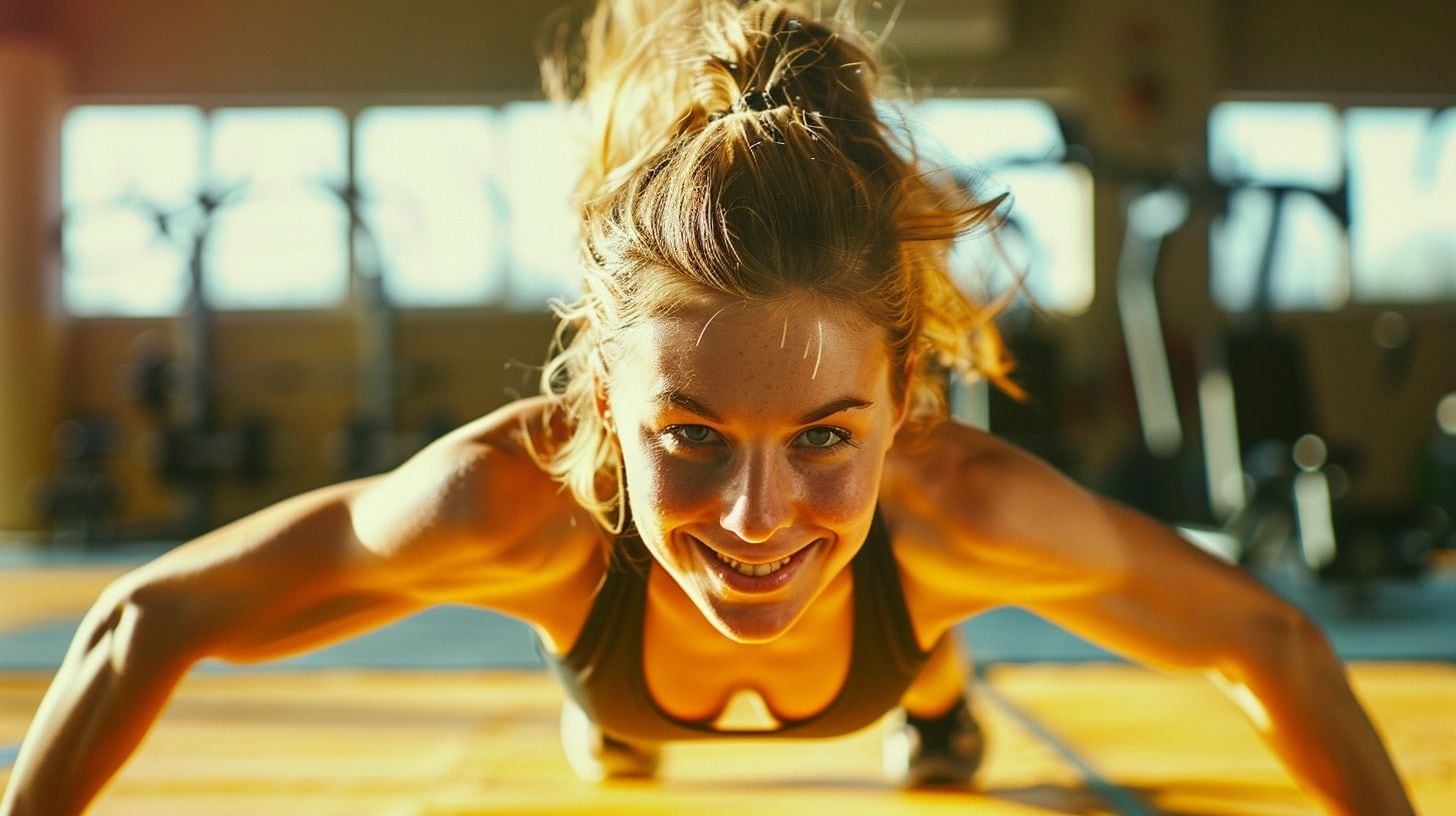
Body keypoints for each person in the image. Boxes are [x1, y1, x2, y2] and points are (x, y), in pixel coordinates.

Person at [0, 2, 1416, 814]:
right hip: (624, 673)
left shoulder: (959, 500)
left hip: (899, 620)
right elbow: (144, 619)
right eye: (688, 437)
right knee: (651, 708)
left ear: (905, 396)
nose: (751, 513)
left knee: (906, 598)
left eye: (823, 436)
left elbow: (1268, 638)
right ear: (600, 405)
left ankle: (933, 694)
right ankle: (635, 716)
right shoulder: (515, 502)